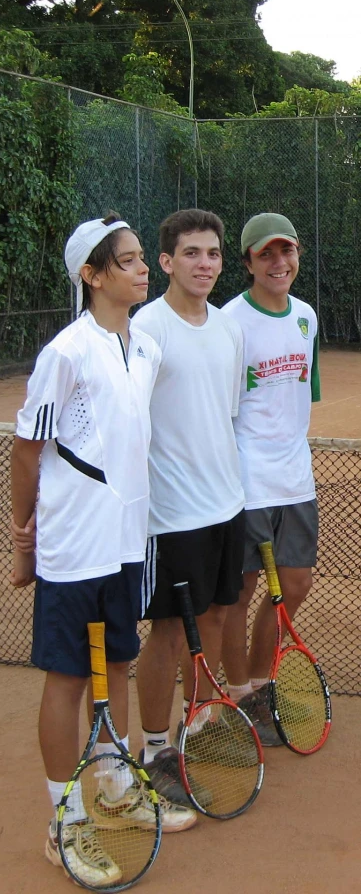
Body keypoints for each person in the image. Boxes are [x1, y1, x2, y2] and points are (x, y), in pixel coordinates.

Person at [10, 213, 196, 885]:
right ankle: (63, 824)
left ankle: (117, 789)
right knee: (67, 679)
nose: (142, 268)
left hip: (126, 540)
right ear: (91, 276)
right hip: (70, 545)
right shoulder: (66, 352)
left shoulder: (142, 349)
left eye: (143, 257)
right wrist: (23, 538)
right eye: (127, 260)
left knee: (116, 660)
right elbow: (27, 451)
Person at [130, 208, 246, 804]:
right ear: (168, 262)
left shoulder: (228, 328)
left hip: (227, 502)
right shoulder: (146, 329)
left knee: (221, 617)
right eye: (193, 254)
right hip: (171, 516)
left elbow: (225, 413)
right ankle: (153, 750)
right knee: (171, 634)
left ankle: (198, 723)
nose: (205, 264)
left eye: (213, 254)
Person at [220, 212, 321, 747]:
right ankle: (236, 697)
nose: (279, 262)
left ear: (297, 254)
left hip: (296, 479)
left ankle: (262, 686)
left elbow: (302, 395)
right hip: (245, 480)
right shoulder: (228, 321)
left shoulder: (306, 317)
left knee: (296, 585)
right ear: (249, 263)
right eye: (266, 254)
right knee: (239, 593)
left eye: (287, 251)